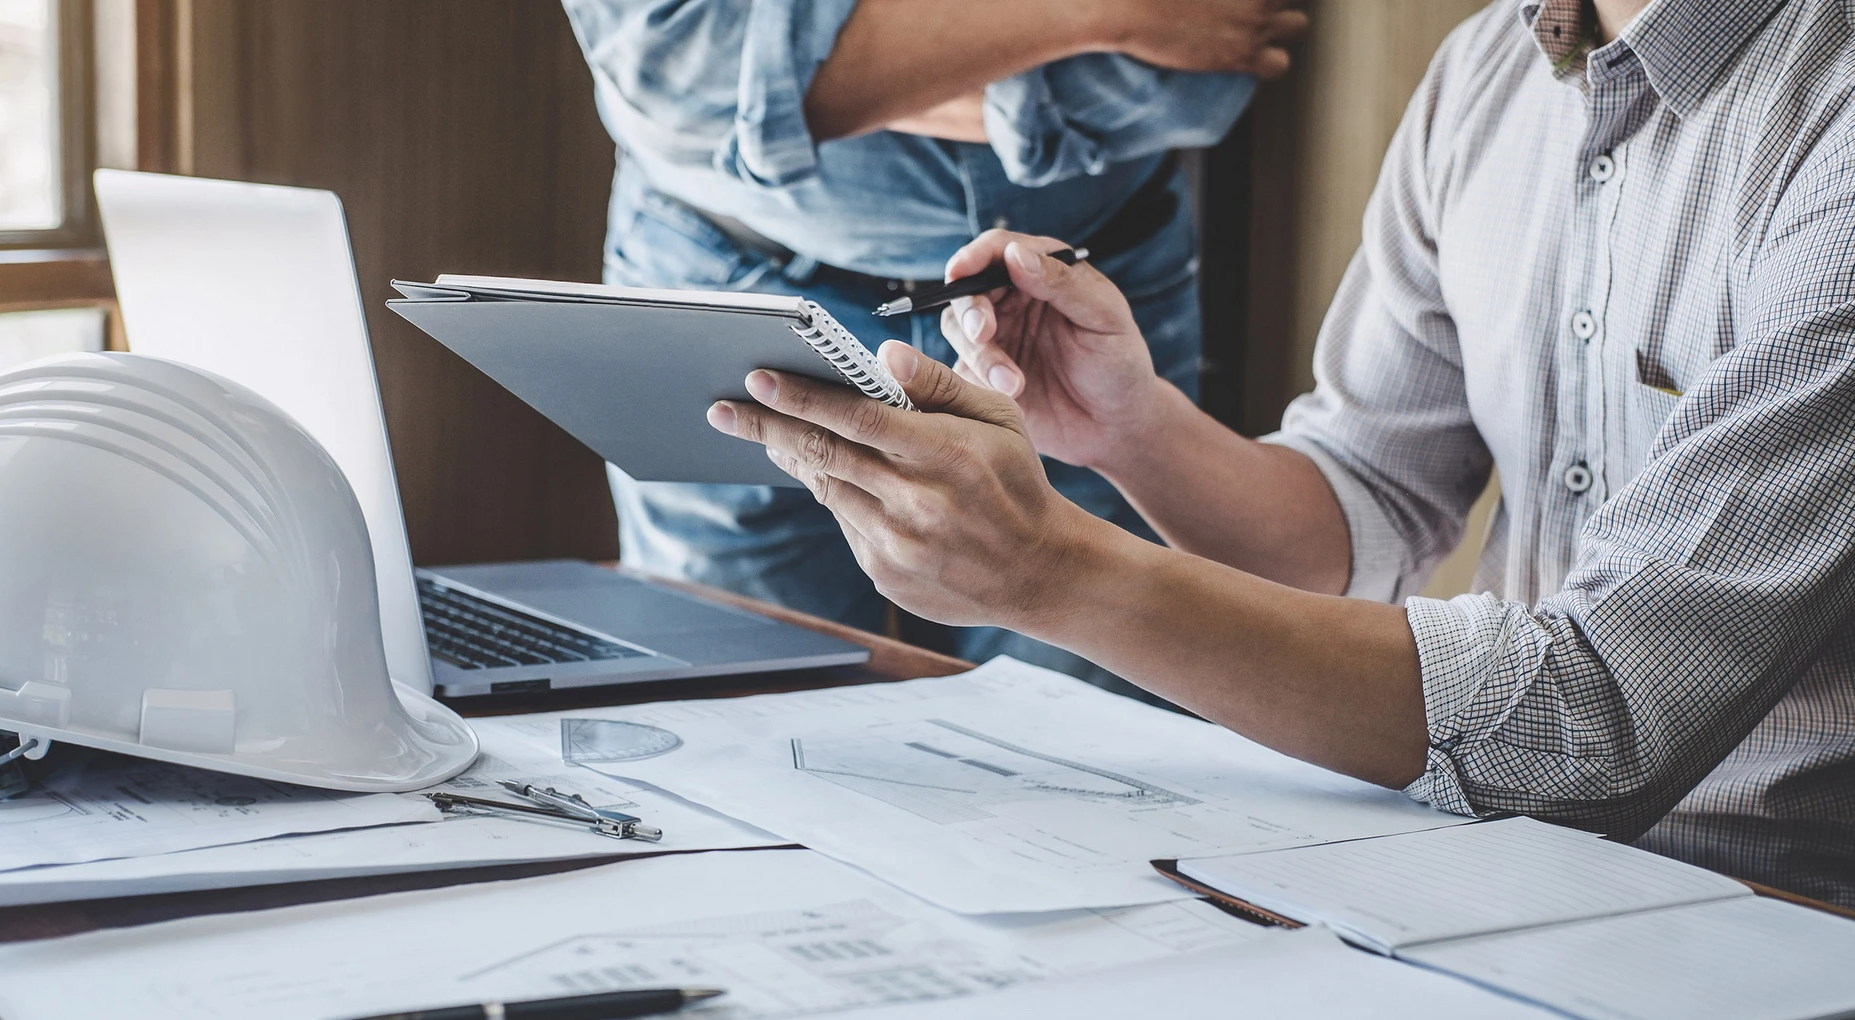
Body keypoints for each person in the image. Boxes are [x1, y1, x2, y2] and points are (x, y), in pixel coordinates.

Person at [706, 0, 1855, 905]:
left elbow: (1598, 722)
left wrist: (1049, 569)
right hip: (1495, 875)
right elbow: (1352, 520)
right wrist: (1131, 430)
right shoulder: (1484, 73)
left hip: (1783, 915)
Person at [563, 1, 1304, 693]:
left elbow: (1200, 76)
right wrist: (1103, 16)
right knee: (737, 715)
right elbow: (681, 79)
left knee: (1089, 755)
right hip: (730, 283)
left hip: (1079, 295)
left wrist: (816, 82)